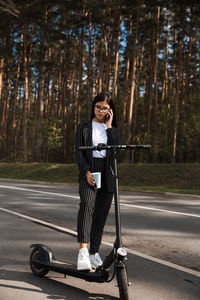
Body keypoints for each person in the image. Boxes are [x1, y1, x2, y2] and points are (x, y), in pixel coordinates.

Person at [75, 91, 120, 271]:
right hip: (89, 168)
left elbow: (116, 150)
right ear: (93, 107)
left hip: (107, 173)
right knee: (87, 206)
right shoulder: (83, 127)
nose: (101, 111)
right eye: (98, 107)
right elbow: (78, 152)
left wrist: (109, 127)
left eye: (105, 108)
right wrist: (86, 171)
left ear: (110, 111)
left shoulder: (112, 129)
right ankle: (83, 253)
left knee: (101, 215)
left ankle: (94, 253)